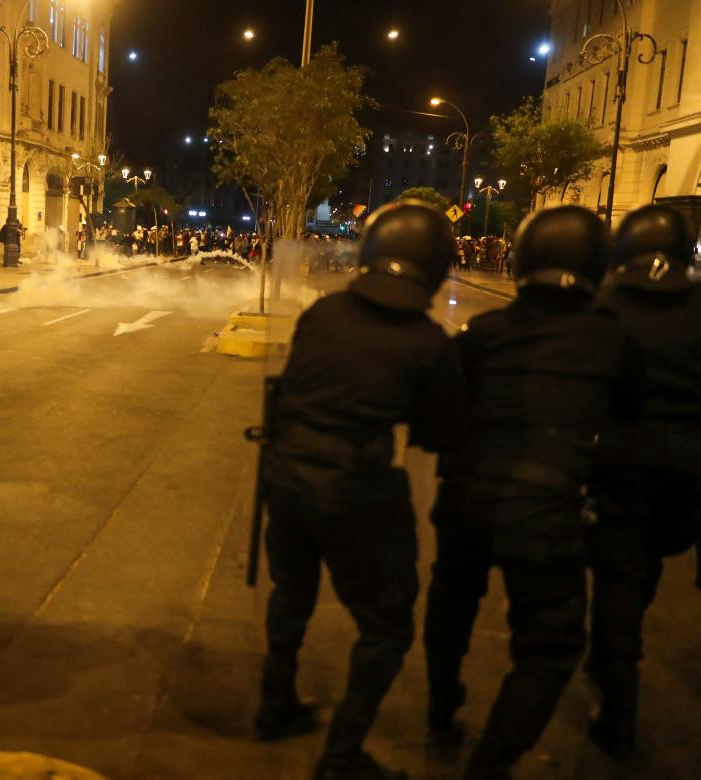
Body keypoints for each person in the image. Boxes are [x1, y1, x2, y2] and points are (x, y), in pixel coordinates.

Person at [423, 206, 644, 779]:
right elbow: (628, 423)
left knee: (450, 609)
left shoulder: (482, 335)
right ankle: (489, 763)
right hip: (547, 513)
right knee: (548, 647)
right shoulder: (612, 340)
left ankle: (440, 712)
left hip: (467, 501)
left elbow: (442, 418)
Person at [259, 201, 463, 780]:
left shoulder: (321, 317)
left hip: (288, 474)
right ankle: (341, 757)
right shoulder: (429, 344)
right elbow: (439, 433)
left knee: (290, 595)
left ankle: (274, 706)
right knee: (388, 625)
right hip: (358, 490)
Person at [585, 205, 701, 761]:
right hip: (688, 473)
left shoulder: (602, 307)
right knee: (644, 566)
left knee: (620, 581)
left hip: (621, 467)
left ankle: (617, 708)